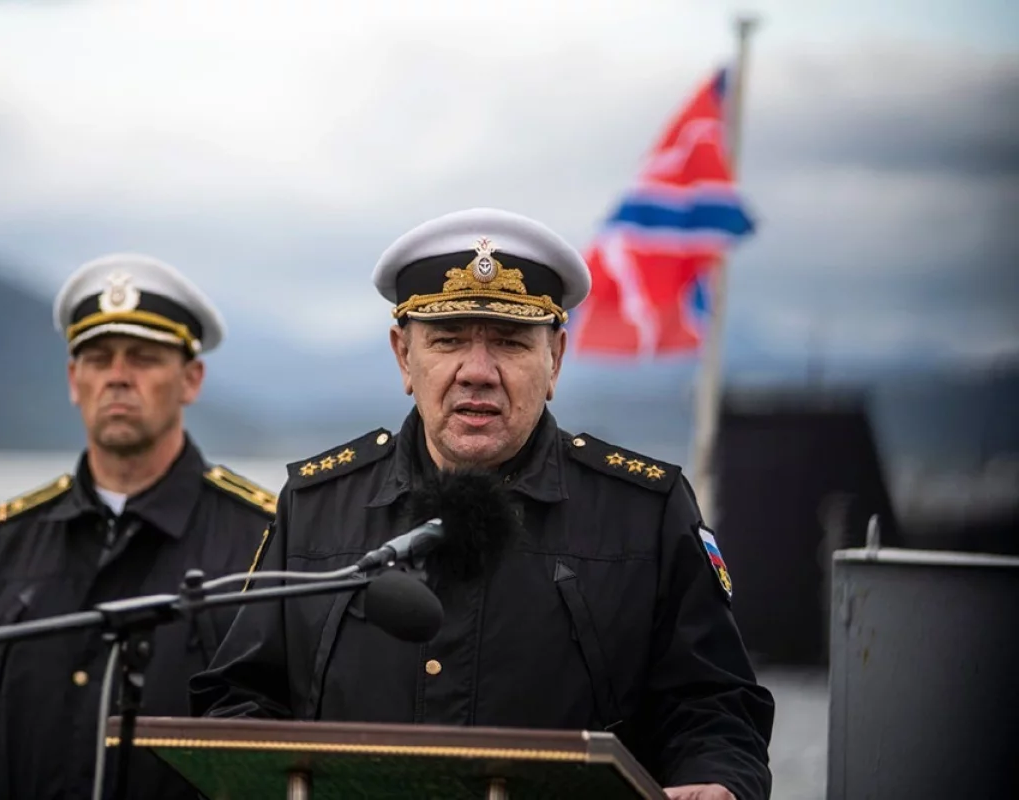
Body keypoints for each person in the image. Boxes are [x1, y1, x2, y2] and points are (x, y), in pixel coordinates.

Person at [188, 208, 775, 800]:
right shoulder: (317, 505)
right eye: (447, 341)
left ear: (555, 359)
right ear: (404, 357)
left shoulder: (643, 513)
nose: (477, 372)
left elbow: (713, 706)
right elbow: (240, 696)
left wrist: (716, 779)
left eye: (510, 343)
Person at [0, 254, 278, 800]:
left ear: (191, 380)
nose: (117, 376)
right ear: (75, 380)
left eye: (144, 358)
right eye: (97, 359)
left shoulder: (258, 539)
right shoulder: (13, 540)